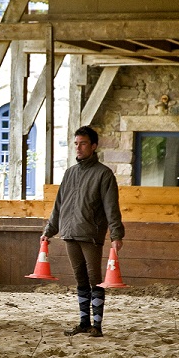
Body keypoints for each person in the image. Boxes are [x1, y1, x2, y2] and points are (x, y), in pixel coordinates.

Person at [40, 125, 125, 338]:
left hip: (90, 234)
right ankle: (83, 322)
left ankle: (97, 325)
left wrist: (116, 234)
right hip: (69, 233)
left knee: (95, 278)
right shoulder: (69, 173)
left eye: (83, 143)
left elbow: (111, 207)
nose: (78, 148)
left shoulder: (103, 174)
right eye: (76, 144)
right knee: (80, 279)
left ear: (94, 146)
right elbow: (58, 206)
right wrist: (49, 230)